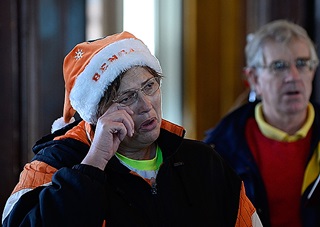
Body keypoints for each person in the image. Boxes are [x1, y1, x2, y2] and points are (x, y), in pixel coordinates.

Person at [2, 31, 262, 226]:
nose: (147, 106)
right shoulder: (52, 165)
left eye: (150, 86)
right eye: (127, 97)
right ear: (97, 113)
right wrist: (93, 164)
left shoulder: (203, 162)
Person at [204, 20, 320, 227]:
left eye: (302, 64)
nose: (293, 77)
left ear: (313, 71)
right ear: (254, 79)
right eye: (279, 66)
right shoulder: (220, 148)